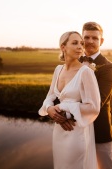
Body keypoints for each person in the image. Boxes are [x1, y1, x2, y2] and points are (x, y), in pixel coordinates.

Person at [59, 22, 112, 169]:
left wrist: (64, 115)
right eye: (87, 37)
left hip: (100, 130)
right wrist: (52, 111)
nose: (90, 41)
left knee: (104, 166)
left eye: (95, 38)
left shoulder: (108, 68)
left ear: (101, 41)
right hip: (75, 129)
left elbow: (99, 102)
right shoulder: (72, 63)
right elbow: (61, 94)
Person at [38, 31, 101, 169]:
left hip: (75, 130)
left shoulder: (86, 72)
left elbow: (94, 107)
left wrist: (64, 109)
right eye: (75, 43)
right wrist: (49, 109)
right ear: (63, 47)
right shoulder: (58, 69)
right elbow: (50, 96)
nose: (80, 47)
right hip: (59, 130)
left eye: (81, 43)